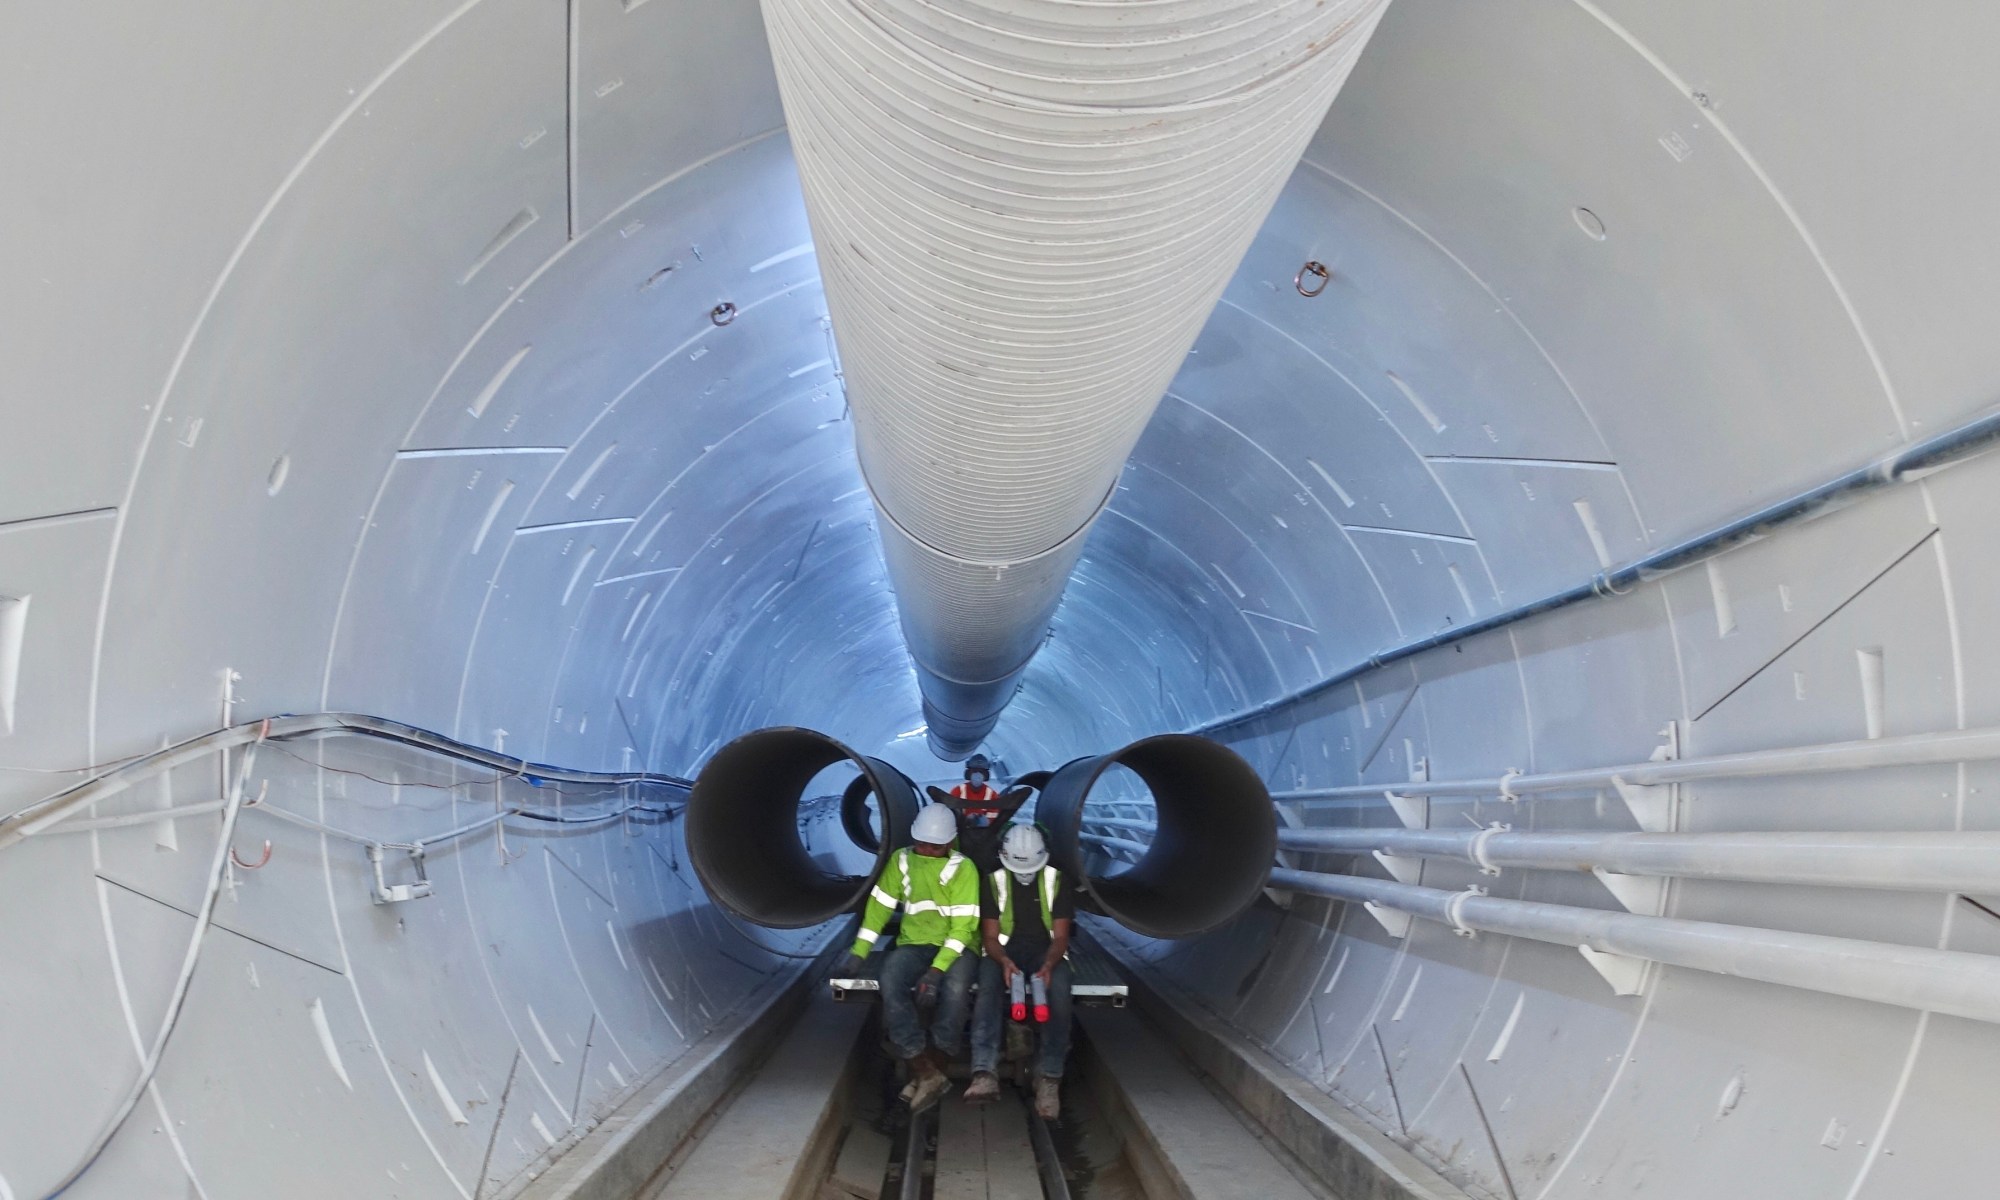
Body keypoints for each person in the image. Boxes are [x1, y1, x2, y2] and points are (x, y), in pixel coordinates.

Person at [835, 802, 979, 1111]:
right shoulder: (900, 862)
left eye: (935, 846)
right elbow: (878, 909)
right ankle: (923, 1067)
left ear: (950, 843)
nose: (927, 850)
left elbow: (964, 928)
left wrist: (935, 973)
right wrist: (859, 952)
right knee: (890, 979)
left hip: (957, 948)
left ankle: (929, 1071)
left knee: (954, 993)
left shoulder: (963, 869)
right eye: (922, 844)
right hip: (913, 943)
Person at [964, 824, 1075, 1119]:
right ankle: (984, 1071)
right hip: (1003, 953)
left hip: (1045, 951)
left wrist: (1049, 964)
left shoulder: (1057, 881)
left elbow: (1061, 937)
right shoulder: (993, 881)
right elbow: (990, 937)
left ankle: (1049, 1076)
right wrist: (1004, 962)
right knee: (987, 989)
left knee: (1060, 992)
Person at [931, 754, 1030, 873]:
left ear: (986, 775)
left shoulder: (991, 794)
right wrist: (965, 820)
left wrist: (980, 820)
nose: (977, 775)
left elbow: (993, 818)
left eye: (981, 771)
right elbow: (950, 813)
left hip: (985, 840)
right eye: (974, 771)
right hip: (962, 837)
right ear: (968, 773)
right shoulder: (958, 791)